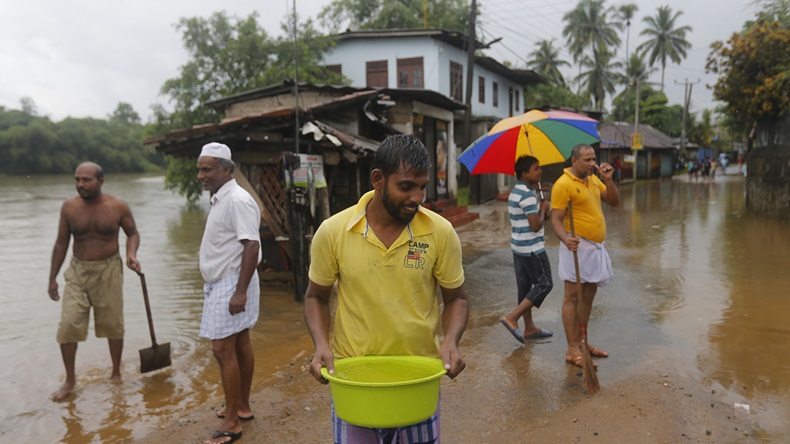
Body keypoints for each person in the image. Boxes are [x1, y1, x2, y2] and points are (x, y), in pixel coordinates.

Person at [304, 134, 469, 443]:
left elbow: (456, 298)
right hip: (354, 377)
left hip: (418, 377)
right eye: (406, 186)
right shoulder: (334, 231)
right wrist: (321, 345)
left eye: (422, 186)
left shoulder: (440, 232)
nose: (417, 197)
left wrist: (451, 341)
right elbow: (316, 296)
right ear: (378, 179)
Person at [48, 162, 141, 402]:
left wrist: (131, 255)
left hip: (109, 269)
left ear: (101, 181)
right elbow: (61, 243)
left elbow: (132, 233)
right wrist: (52, 278)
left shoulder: (117, 206)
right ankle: (70, 380)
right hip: (78, 271)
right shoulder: (69, 208)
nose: (81, 184)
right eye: (77, 179)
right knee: (68, 324)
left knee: (113, 324)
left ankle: (116, 373)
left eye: (86, 180)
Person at [197, 142, 262, 444]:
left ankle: (233, 423)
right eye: (199, 169)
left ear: (226, 169)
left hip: (232, 283)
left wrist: (239, 292)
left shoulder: (236, 199)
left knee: (222, 350)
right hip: (228, 281)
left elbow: (252, 244)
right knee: (240, 341)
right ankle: (241, 408)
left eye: (206, 169)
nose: (201, 175)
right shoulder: (221, 197)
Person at [550, 144, 620, 369]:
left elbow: (614, 202)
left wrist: (608, 180)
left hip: (596, 248)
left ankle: (583, 341)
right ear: (574, 161)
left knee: (588, 296)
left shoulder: (593, 179)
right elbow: (556, 220)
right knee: (572, 297)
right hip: (576, 247)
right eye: (587, 160)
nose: (593, 164)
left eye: (594, 159)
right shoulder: (563, 185)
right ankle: (572, 349)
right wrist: (565, 239)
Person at [499, 156, 554, 344]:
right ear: (525, 173)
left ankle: (529, 327)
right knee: (545, 284)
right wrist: (543, 208)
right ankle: (512, 318)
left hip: (518, 247)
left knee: (524, 288)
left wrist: (541, 213)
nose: (540, 171)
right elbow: (535, 226)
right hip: (532, 248)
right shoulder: (528, 195)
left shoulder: (516, 191)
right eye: (536, 168)